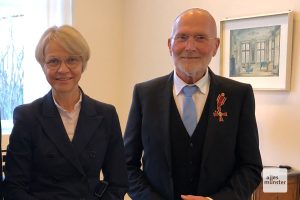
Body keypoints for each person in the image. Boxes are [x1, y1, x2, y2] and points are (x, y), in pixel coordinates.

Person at [124, 8, 262, 200]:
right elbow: (126, 165)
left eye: (200, 38)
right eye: (182, 37)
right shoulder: (145, 95)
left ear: (215, 46)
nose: (190, 46)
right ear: (170, 45)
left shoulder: (239, 95)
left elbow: (250, 167)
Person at [4, 25, 128, 200]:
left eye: (72, 60)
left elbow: (118, 183)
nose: (63, 69)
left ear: (83, 64)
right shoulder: (27, 117)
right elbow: (14, 187)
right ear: (43, 66)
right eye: (53, 61)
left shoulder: (106, 115)